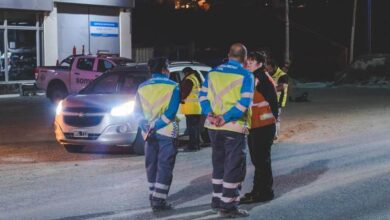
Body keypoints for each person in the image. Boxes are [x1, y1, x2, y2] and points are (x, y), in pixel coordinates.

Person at [199, 43, 254, 218]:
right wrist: (226, 117)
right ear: (245, 58)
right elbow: (244, 103)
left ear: (228, 54)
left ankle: (217, 200)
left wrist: (211, 114)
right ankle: (228, 206)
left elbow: (202, 97)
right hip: (233, 126)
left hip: (213, 126)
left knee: (219, 164)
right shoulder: (246, 75)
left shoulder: (213, 73)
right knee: (234, 166)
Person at [135, 57, 180, 211]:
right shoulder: (174, 86)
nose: (169, 71)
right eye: (168, 68)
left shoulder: (141, 87)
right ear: (163, 69)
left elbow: (137, 112)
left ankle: (152, 195)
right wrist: (156, 124)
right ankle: (159, 201)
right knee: (165, 166)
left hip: (147, 133)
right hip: (167, 131)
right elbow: (172, 112)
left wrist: (145, 124)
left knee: (151, 164)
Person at [240, 52, 278, 204]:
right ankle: (258, 191)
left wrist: (274, 123)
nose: (248, 62)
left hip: (263, 126)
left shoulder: (260, 78)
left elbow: (273, 104)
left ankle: (265, 192)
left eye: (252, 60)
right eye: (247, 60)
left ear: (260, 63)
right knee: (259, 161)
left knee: (261, 161)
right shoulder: (257, 76)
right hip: (257, 126)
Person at [180, 67, 202, 151]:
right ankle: (197, 145)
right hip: (196, 108)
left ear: (187, 72)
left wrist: (180, 98)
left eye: (184, 73)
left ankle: (192, 146)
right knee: (195, 128)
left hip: (190, 108)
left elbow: (185, 93)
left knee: (192, 129)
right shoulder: (196, 78)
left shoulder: (189, 80)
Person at [266, 59, 289, 139]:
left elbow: (282, 87)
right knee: (267, 117)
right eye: (267, 69)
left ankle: (274, 135)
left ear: (275, 67)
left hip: (278, 101)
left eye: (270, 69)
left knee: (275, 118)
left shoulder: (282, 75)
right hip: (268, 100)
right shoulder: (267, 74)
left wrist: (266, 89)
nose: (268, 71)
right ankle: (270, 133)